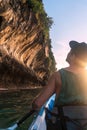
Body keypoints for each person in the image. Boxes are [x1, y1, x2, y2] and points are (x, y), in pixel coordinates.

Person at [32, 40, 87, 129]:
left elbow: (38, 103)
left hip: (62, 124)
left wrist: (33, 106)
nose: (68, 53)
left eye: (70, 51)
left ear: (73, 56)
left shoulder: (58, 75)